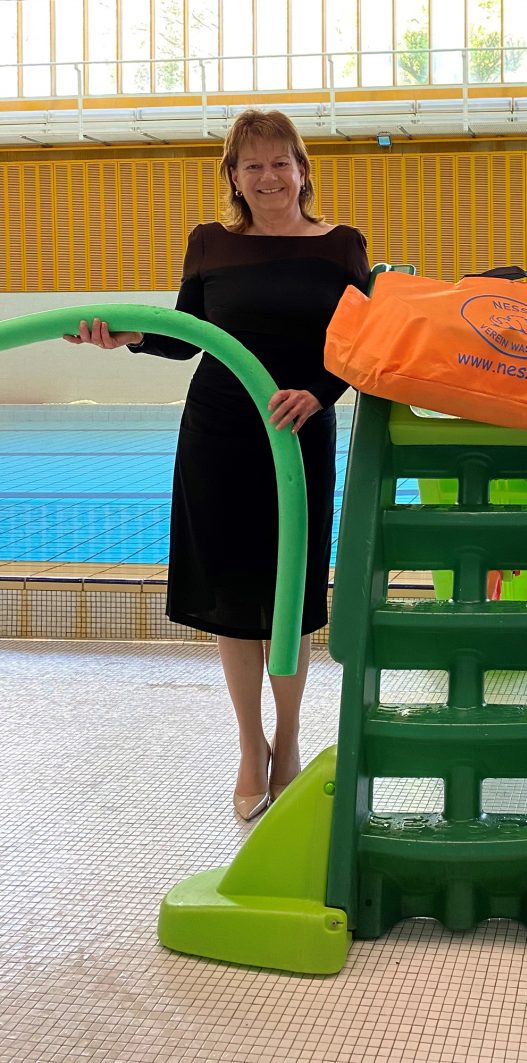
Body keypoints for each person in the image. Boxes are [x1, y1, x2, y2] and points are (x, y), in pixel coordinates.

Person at [65, 109, 370, 821]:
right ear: (233, 176)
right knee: (234, 597)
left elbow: (358, 346)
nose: (268, 177)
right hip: (220, 433)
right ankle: (249, 743)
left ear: (302, 169)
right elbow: (183, 338)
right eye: (252, 165)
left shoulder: (342, 247)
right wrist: (125, 336)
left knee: (288, 594)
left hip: (297, 432)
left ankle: (290, 740)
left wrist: (319, 394)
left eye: (280, 162)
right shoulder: (210, 244)